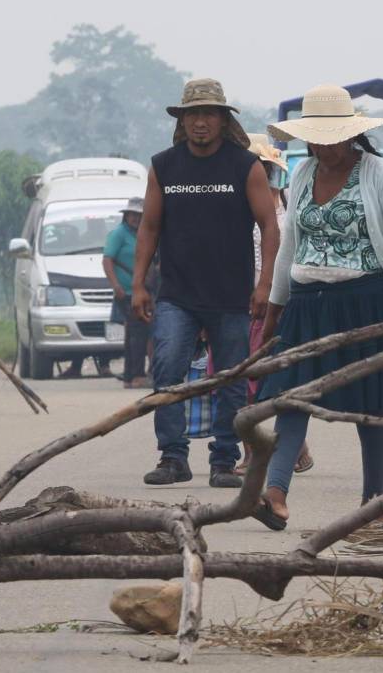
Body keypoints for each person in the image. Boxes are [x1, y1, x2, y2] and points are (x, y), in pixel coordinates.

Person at [253, 84, 383, 530]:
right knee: (293, 399)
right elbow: (290, 247)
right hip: (307, 304)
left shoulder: (377, 173)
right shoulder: (303, 174)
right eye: (315, 137)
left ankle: (375, 507)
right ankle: (275, 493)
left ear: (350, 134)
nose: (323, 147)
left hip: (365, 302)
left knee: (369, 405)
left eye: (331, 137)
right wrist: (276, 308)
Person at [131, 78, 281, 488]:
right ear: (182, 120)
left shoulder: (244, 165)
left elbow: (270, 225)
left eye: (209, 114)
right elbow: (149, 227)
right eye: (193, 114)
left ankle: (223, 459)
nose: (200, 122)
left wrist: (265, 283)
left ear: (222, 119)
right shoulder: (164, 166)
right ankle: (173, 456)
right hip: (176, 295)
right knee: (167, 371)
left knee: (230, 378)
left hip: (231, 296)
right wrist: (139, 283)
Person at [238, 134, 312, 477]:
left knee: (276, 380)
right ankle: (252, 451)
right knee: (243, 382)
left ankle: (290, 443)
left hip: (283, 301)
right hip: (242, 302)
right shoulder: (236, 204)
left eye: (262, 166)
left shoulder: (285, 202)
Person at [103, 197, 151, 389]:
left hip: (142, 291)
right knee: (138, 333)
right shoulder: (119, 234)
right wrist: (116, 286)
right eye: (132, 215)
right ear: (126, 216)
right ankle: (137, 375)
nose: (135, 218)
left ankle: (131, 376)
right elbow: (107, 260)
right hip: (127, 292)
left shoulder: (142, 234)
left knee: (135, 333)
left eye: (139, 215)